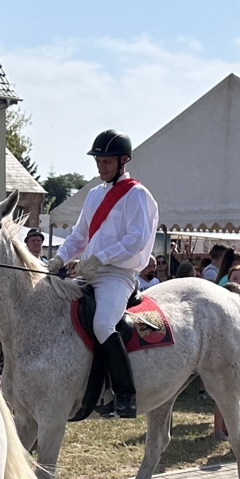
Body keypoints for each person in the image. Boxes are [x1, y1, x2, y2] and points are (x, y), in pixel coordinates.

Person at [54, 129, 158, 419]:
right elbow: (78, 235)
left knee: (102, 325)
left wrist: (99, 258)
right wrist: (60, 258)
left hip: (116, 274)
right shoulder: (94, 194)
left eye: (107, 161)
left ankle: (125, 395)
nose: (101, 166)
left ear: (123, 161)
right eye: (98, 161)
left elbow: (135, 240)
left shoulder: (137, 194)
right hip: (89, 271)